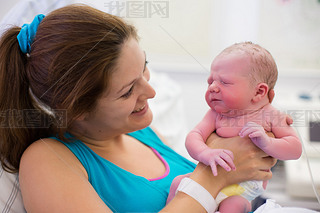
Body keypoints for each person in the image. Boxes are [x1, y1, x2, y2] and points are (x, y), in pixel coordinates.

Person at [0, 4, 277, 213]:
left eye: (144, 67)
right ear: (76, 109)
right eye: (128, 90)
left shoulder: (141, 131)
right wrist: (214, 176)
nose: (151, 91)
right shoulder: (46, 160)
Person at [167, 42, 302, 212]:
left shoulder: (271, 115)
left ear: (259, 92)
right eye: (210, 82)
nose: (213, 87)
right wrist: (204, 152)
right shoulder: (215, 114)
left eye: (224, 82)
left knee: (233, 205)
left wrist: (267, 143)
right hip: (211, 179)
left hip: (242, 189)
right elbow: (194, 135)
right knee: (178, 182)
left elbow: (295, 149)